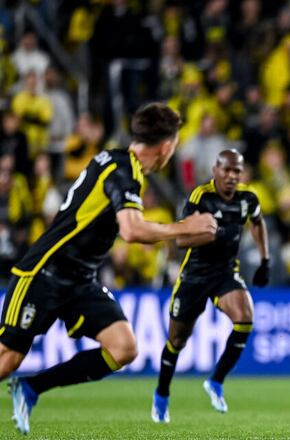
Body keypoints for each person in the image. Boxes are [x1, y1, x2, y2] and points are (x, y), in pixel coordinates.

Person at [0, 103, 218, 435]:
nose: (172, 154)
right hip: (44, 272)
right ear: (165, 145)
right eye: (173, 147)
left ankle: (30, 389)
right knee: (8, 357)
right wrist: (185, 227)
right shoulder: (123, 173)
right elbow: (131, 231)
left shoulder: (118, 164)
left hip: (79, 279)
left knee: (123, 347)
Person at [152, 149, 270, 423]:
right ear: (215, 170)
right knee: (177, 340)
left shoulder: (247, 199)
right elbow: (181, 240)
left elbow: (258, 222)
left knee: (245, 319)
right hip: (194, 276)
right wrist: (213, 235)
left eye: (236, 171)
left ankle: (216, 381)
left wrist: (265, 260)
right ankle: (161, 395)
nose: (231, 176)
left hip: (225, 273)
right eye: (226, 170)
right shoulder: (200, 197)